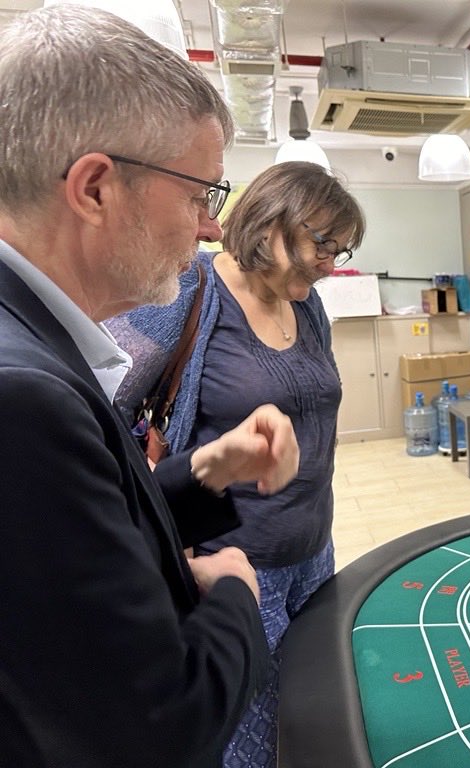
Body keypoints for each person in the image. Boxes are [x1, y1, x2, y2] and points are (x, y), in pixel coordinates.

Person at [0, 7, 302, 767]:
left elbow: (78, 539)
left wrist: (204, 472)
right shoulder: (22, 397)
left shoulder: (32, 345)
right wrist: (236, 590)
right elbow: (161, 725)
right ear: (96, 189)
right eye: (200, 194)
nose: (209, 227)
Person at [109, 161, 366, 768]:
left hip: (314, 550)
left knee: (309, 709)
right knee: (247, 735)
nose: (332, 264)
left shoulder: (308, 310)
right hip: (235, 561)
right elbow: (102, 423)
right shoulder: (184, 293)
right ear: (268, 221)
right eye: (321, 243)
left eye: (342, 248)